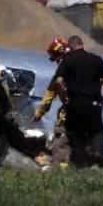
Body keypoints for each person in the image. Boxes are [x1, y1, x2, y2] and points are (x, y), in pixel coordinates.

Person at [53, 36, 103, 167]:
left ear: (70, 46)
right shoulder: (96, 59)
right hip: (93, 104)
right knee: (97, 131)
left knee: (75, 135)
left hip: (75, 104)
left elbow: (59, 82)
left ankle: (79, 164)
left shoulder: (67, 61)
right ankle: (97, 153)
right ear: (81, 44)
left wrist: (63, 98)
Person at [33, 38, 71, 168]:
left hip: (69, 113)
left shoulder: (62, 71)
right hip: (89, 112)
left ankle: (61, 171)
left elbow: (50, 94)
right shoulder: (85, 63)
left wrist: (38, 114)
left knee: (60, 143)